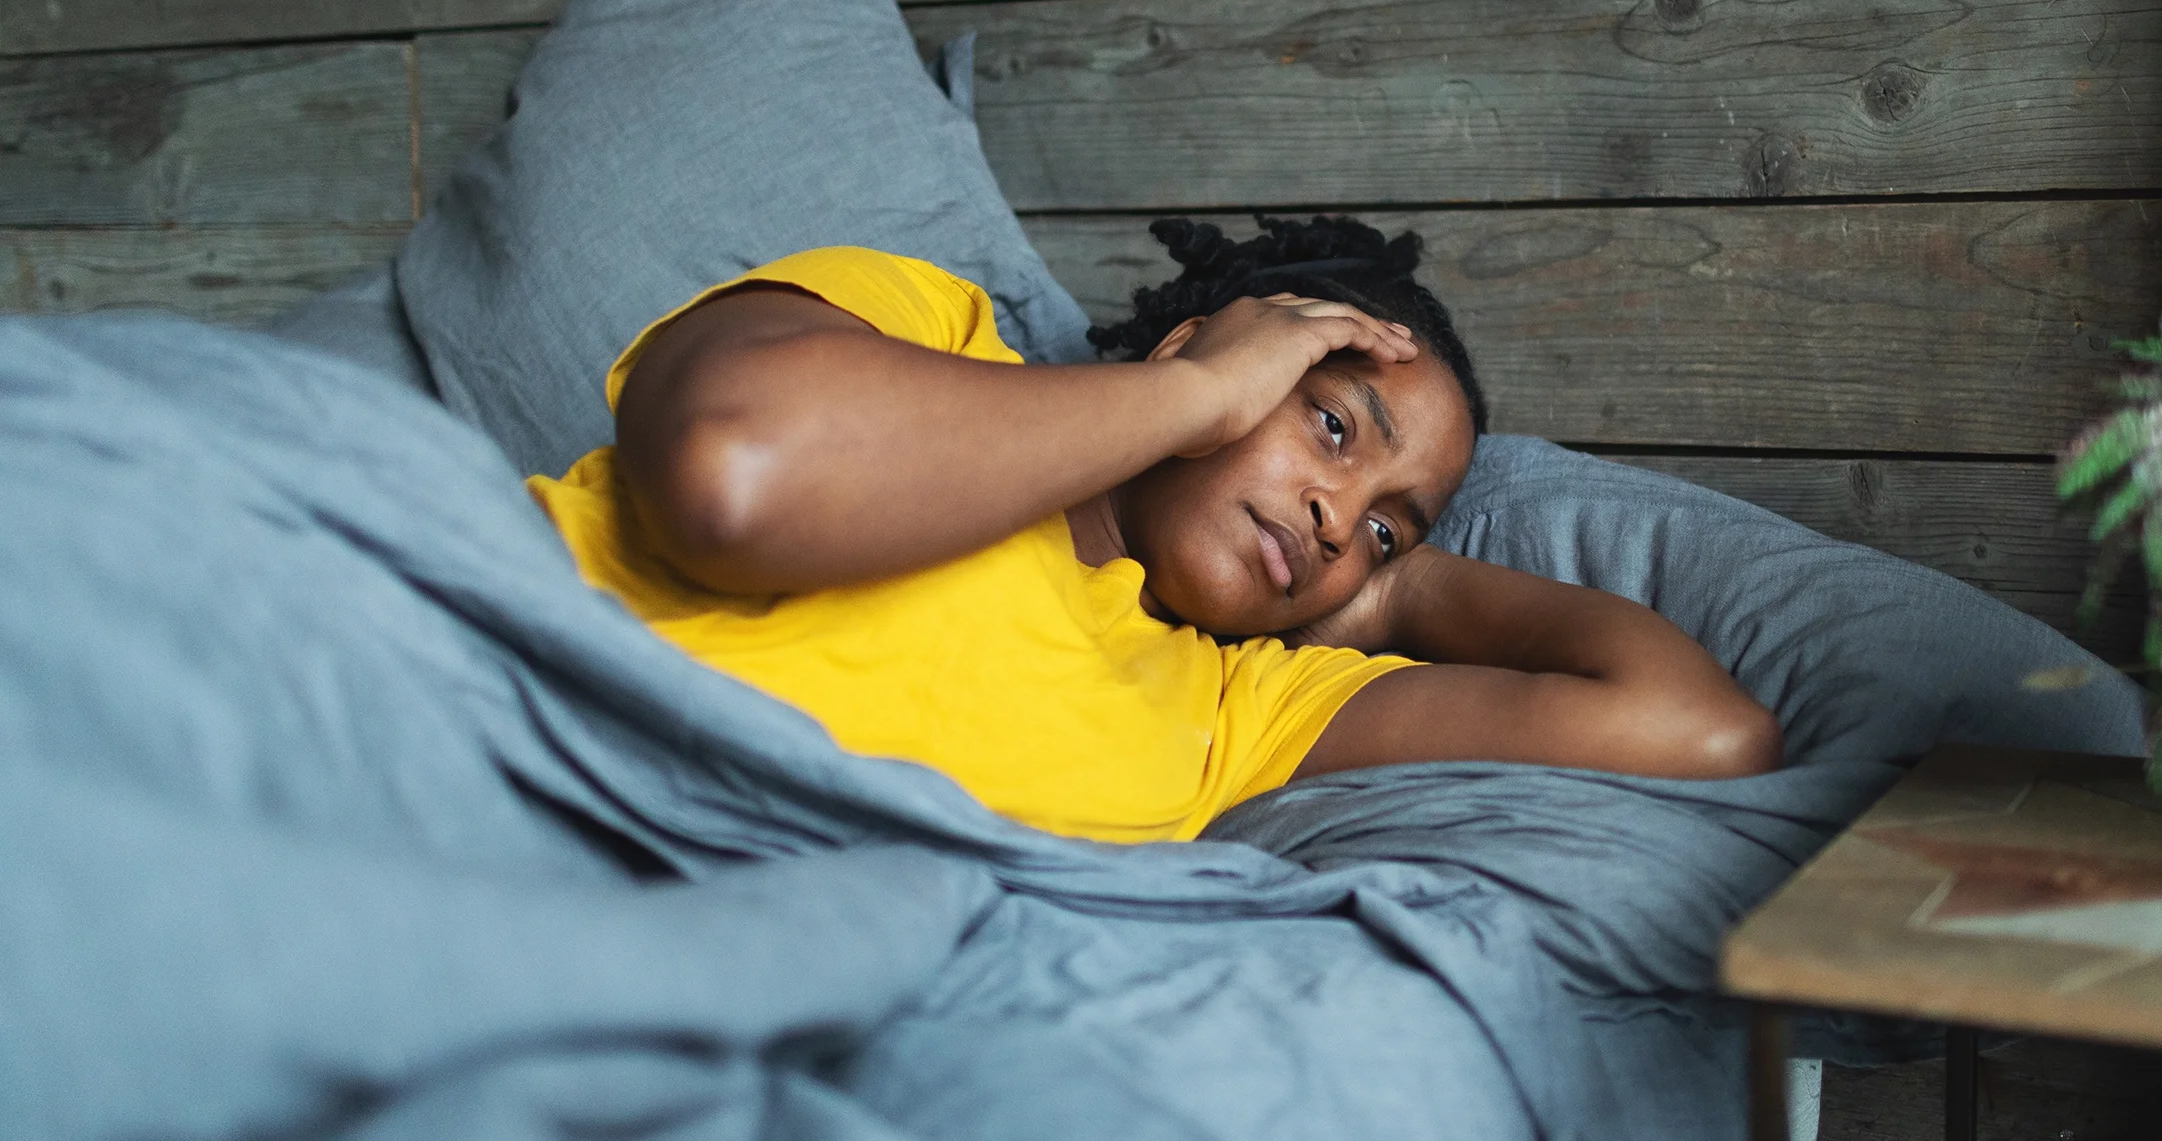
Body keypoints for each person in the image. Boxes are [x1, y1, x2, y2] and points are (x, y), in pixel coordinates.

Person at [529, 216, 1779, 842]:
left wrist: (1398, 596)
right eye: (1336, 429)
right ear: (1210, 344)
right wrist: (1189, 400)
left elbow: (1701, 732)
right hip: (452, 703)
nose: (1339, 521)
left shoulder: (1241, 716)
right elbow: (732, 474)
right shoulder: (926, 328)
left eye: (1387, 529)